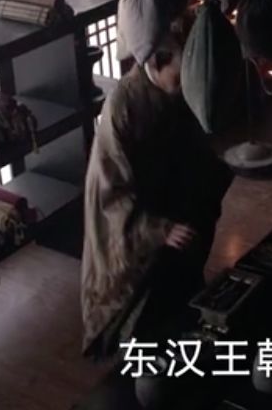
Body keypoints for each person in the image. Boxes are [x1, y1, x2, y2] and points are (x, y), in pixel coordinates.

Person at [80, 32, 233, 358]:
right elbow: (111, 189)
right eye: (178, 77)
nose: (182, 85)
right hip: (138, 218)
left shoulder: (174, 90)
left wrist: (219, 171)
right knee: (147, 318)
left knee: (184, 294)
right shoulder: (123, 104)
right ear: (156, 63)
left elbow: (195, 150)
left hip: (174, 203)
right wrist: (158, 229)